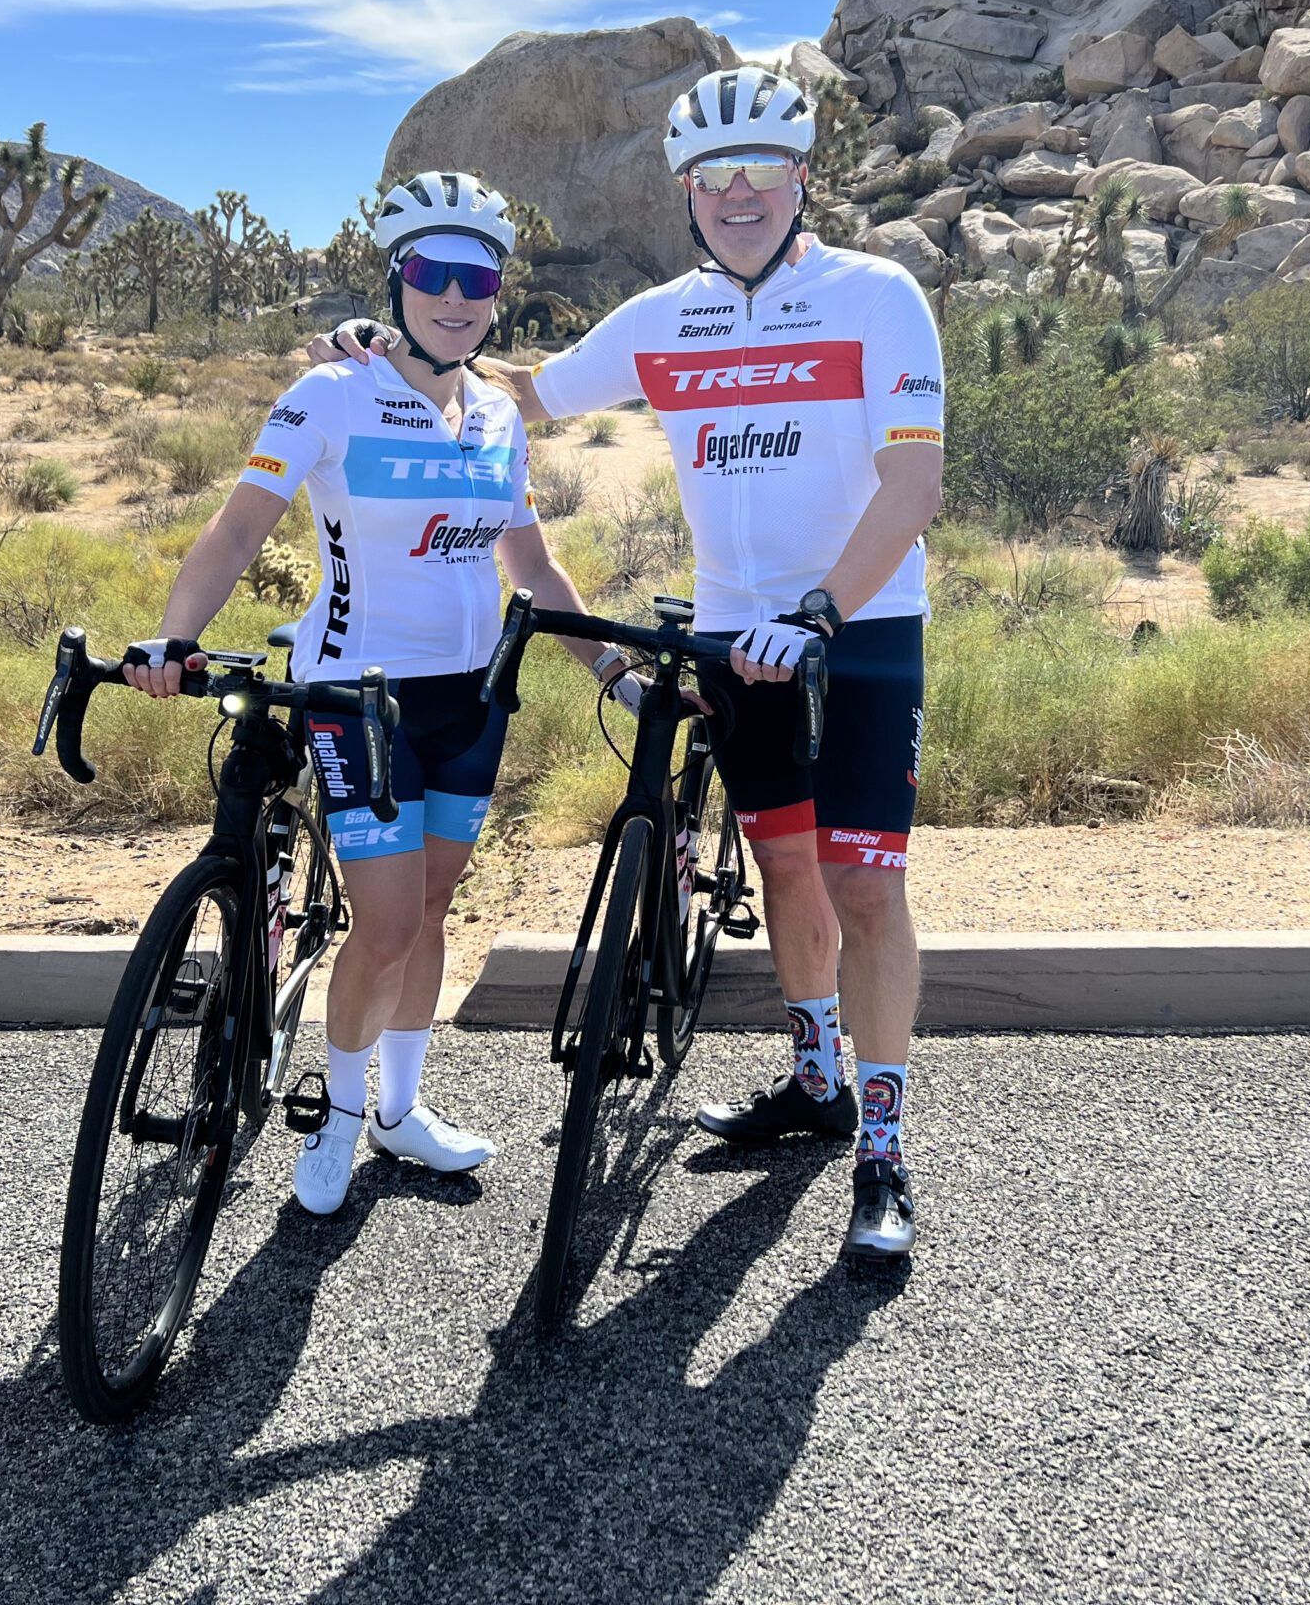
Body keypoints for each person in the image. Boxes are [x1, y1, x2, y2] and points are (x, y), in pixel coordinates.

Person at [314, 67, 945, 1264]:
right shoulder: (668, 317)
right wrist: (382, 344)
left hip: (855, 634)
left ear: (802, 181)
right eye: (717, 179)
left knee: (866, 890)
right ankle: (814, 1082)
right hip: (729, 633)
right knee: (788, 875)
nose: (741, 197)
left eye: (764, 175)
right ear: (688, 195)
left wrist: (818, 613)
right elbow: (523, 390)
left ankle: (884, 1151)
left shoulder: (879, 296)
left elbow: (912, 486)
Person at [126, 169, 631, 1217]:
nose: (457, 296)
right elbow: (234, 530)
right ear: (398, 281)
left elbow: (532, 571)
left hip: (472, 699)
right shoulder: (329, 394)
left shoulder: (497, 415)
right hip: (357, 697)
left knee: (435, 907)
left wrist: (613, 672)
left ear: (500, 294)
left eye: (478, 279)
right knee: (389, 925)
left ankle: (402, 1110)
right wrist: (173, 638)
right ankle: (343, 1118)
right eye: (434, 274)